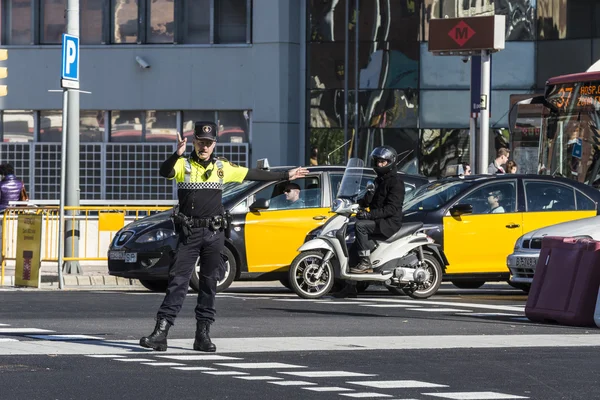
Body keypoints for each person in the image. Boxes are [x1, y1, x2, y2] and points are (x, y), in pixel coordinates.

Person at [140, 121, 308, 353]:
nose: (204, 147)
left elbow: (253, 174)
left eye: (209, 143)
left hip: (214, 233)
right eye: (200, 142)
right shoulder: (183, 165)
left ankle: (203, 335)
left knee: (209, 284)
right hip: (189, 233)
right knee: (178, 282)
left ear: (215, 144)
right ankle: (161, 333)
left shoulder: (222, 167)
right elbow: (164, 172)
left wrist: (285, 174)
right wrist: (175, 154)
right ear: (194, 142)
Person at [351, 145, 405, 274]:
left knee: (360, 226)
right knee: (353, 250)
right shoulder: (378, 180)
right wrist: (353, 203)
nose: (379, 164)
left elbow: (391, 208)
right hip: (377, 220)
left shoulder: (396, 182)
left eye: (382, 162)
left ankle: (365, 263)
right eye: (377, 161)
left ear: (390, 162)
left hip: (388, 223)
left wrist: (369, 215)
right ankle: (349, 287)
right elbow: (367, 201)